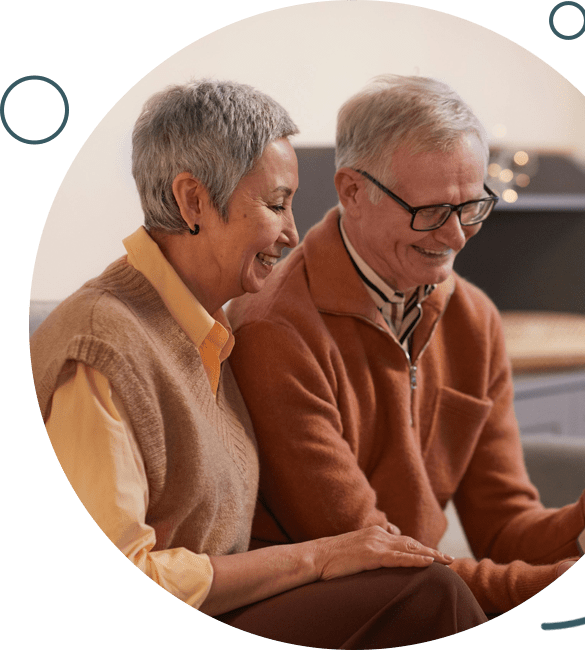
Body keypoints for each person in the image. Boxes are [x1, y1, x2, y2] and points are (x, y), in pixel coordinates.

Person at [29, 80, 488, 647]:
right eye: (275, 205)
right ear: (192, 200)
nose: (293, 232)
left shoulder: (205, 331)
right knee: (428, 596)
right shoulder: (101, 346)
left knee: (422, 587)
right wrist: (316, 558)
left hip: (224, 609)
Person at [226, 75, 585, 615]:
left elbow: (503, 525)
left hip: (426, 585)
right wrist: (561, 583)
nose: (455, 238)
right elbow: (376, 554)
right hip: (326, 606)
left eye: (471, 208)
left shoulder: (474, 317)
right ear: (352, 191)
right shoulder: (276, 333)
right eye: (429, 212)